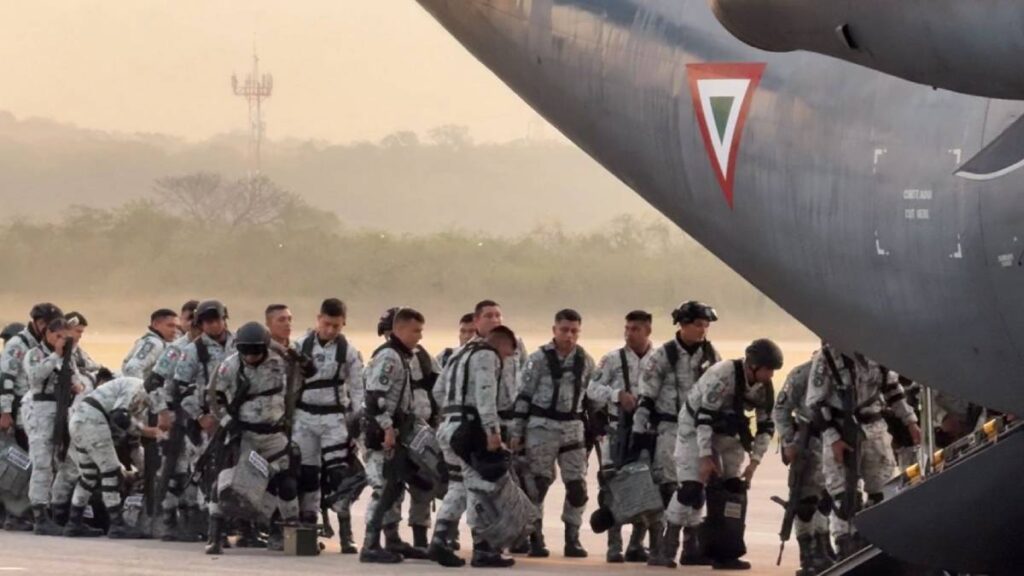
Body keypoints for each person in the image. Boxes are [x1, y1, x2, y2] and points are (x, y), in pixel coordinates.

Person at [657, 338, 782, 571]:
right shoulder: (723, 374)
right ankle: (668, 546)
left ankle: (725, 552)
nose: (771, 376)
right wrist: (705, 457)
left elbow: (766, 427)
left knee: (733, 489)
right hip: (695, 428)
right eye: (768, 370)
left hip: (728, 433)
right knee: (691, 488)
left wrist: (754, 463)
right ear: (753, 366)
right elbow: (704, 417)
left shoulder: (765, 388)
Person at [805, 344, 921, 558]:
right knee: (845, 497)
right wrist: (833, 439)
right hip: (841, 431)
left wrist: (910, 421)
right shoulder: (827, 358)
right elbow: (815, 405)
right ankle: (844, 545)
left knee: (880, 492)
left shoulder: (876, 349)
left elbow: (893, 390)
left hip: (875, 430)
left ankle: (873, 542)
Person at [633, 301, 720, 566]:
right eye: (698, 325)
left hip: (700, 429)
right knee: (672, 487)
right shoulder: (663, 356)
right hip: (669, 428)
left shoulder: (710, 355)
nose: (703, 330)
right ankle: (661, 547)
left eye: (705, 326)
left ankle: (690, 546)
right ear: (683, 325)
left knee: (697, 488)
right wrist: (639, 429)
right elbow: (646, 395)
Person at [429, 326, 521, 568]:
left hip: (449, 426)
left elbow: (438, 391)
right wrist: (492, 431)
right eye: (509, 354)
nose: (507, 359)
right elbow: (485, 394)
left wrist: (455, 408)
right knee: (482, 488)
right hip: (471, 430)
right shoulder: (488, 355)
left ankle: (440, 538)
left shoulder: (459, 354)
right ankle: (483, 549)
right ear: (502, 345)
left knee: (458, 485)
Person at [204, 322, 300, 555]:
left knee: (287, 485)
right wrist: (229, 423)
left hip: (275, 436)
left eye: (255, 352)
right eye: (245, 352)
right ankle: (214, 537)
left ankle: (292, 538)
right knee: (224, 484)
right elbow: (214, 399)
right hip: (244, 436)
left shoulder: (281, 362)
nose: (250, 357)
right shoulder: (229, 367)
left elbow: (298, 386)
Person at [511, 309, 596, 559]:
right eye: (564, 330)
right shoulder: (537, 359)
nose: (568, 336)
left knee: (577, 487)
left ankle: (573, 536)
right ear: (554, 330)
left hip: (572, 429)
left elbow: (592, 399)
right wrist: (517, 432)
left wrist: (598, 429)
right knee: (537, 485)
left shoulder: (586, 361)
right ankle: (535, 536)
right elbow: (523, 396)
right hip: (541, 427)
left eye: (574, 331)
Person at [291, 298, 364, 553]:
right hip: (304, 418)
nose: (331, 330)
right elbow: (289, 385)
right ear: (318, 319)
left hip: (335, 420)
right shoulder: (299, 346)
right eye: (327, 324)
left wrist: (357, 425)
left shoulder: (349, 352)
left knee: (339, 476)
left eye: (337, 326)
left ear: (343, 323)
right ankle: (308, 529)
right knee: (307, 474)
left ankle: (346, 533)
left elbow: (357, 391)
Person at [586, 310, 656, 563]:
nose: (629, 334)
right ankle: (613, 546)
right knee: (612, 486)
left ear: (648, 331)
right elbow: (592, 389)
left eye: (635, 329)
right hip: (616, 431)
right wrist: (617, 395)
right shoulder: (612, 360)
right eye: (626, 328)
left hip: (648, 433)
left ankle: (637, 543)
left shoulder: (659, 360)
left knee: (646, 488)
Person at [360, 307, 427, 564]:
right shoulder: (390, 357)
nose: (419, 336)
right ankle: (370, 545)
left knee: (395, 488)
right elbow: (374, 396)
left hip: (395, 432)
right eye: (416, 331)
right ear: (399, 330)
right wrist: (387, 427)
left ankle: (393, 539)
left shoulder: (402, 356)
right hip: (380, 433)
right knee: (382, 488)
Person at [64, 376, 163, 539]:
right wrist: (147, 431)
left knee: (88, 475)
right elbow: (120, 416)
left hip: (80, 421)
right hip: (93, 422)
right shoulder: (137, 388)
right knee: (111, 472)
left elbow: (131, 437)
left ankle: (74, 522)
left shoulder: (136, 393)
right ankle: (117, 524)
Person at [24, 316, 91, 534]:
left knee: (70, 462)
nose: (63, 340)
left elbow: (78, 382)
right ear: (49, 335)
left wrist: (77, 386)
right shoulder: (35, 354)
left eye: (67, 337)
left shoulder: (68, 358)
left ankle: (59, 508)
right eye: (59, 336)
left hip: (63, 411)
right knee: (42, 462)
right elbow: (35, 376)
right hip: (41, 411)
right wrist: (55, 356)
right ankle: (39, 515)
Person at [773, 353, 834, 575]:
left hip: (832, 440)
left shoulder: (844, 371)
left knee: (827, 500)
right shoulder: (801, 374)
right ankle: (807, 555)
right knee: (805, 502)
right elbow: (780, 410)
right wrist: (789, 441)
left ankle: (823, 548)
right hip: (806, 442)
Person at [122, 309, 180, 380]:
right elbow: (132, 368)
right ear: (155, 325)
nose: (174, 330)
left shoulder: (158, 341)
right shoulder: (154, 343)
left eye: (176, 327)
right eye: (170, 326)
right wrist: (141, 389)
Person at [65, 312, 102, 380]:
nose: (80, 336)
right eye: (78, 331)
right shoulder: (59, 349)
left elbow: (90, 364)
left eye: (81, 332)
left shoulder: (76, 348)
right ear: (66, 329)